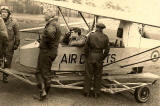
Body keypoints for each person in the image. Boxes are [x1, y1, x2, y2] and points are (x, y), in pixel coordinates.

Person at [34, 12, 62, 101]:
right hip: (51, 51)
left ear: (50, 15)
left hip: (46, 52)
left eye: (45, 14)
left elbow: (50, 34)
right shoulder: (56, 23)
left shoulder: (52, 24)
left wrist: (46, 43)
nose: (44, 16)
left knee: (40, 72)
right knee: (46, 72)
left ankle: (43, 93)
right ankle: (45, 92)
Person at [84, 23, 110, 98]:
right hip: (99, 56)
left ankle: (87, 92)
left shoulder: (91, 35)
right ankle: (96, 93)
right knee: (98, 75)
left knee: (88, 74)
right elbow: (107, 50)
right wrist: (102, 57)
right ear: (102, 29)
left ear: (96, 27)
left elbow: (86, 47)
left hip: (91, 56)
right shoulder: (105, 37)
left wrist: (87, 56)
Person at [0, 6, 20, 83]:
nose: (3, 14)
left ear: (8, 13)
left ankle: (5, 76)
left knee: (7, 61)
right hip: (0, 45)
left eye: (5, 12)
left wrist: (16, 44)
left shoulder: (14, 22)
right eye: (2, 12)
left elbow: (17, 34)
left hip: (9, 45)